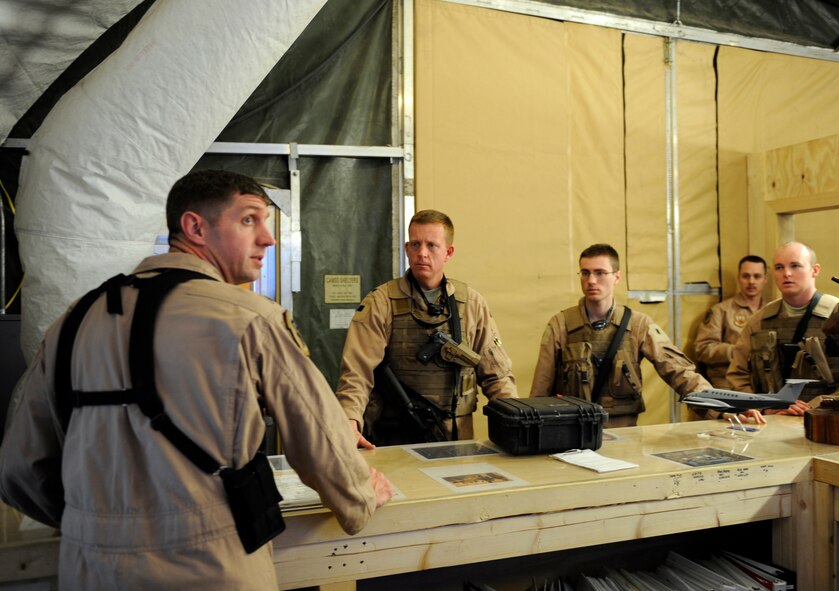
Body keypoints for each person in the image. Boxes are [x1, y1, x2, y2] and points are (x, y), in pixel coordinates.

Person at [0, 170, 393, 589]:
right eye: (249, 220)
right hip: (209, 566)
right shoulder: (251, 319)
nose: (268, 238)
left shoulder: (75, 320)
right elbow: (322, 442)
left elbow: (18, 470)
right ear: (194, 227)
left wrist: (97, 527)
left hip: (90, 569)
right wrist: (361, 495)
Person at [336, 209, 517, 448]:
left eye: (431, 245)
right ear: (406, 248)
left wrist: (517, 421)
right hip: (394, 436)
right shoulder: (381, 302)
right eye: (415, 244)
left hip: (456, 437)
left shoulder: (471, 304)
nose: (421, 253)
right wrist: (350, 420)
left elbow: (497, 376)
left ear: (448, 252)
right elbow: (357, 373)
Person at [529, 244, 764, 427]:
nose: (591, 280)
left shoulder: (638, 325)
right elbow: (541, 390)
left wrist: (724, 407)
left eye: (600, 273)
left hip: (623, 433)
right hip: (573, 432)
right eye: (585, 273)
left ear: (616, 277)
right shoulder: (561, 325)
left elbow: (680, 372)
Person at [727, 241, 839, 415]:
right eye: (779, 267)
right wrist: (765, 407)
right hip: (771, 424)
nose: (787, 273)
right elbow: (738, 375)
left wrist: (817, 406)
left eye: (795, 266)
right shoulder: (758, 321)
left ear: (815, 270)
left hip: (829, 422)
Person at [694, 255, 768, 388]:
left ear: (765, 279)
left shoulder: (771, 311)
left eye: (757, 276)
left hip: (763, 383)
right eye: (746, 276)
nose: (751, 281)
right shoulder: (721, 311)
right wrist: (736, 351)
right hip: (727, 383)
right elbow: (702, 349)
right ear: (738, 278)